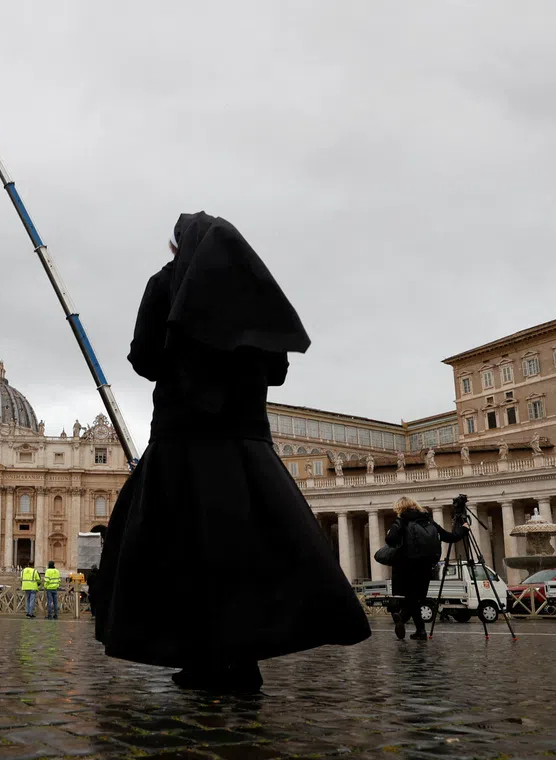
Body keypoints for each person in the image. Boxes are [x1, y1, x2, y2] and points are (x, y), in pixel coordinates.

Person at [95, 212, 371, 693]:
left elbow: (143, 359)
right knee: (247, 550)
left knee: (182, 552)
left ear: (176, 248)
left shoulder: (165, 284)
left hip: (182, 440)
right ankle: (243, 660)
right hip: (245, 443)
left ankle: (201, 656)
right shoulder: (250, 289)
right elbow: (277, 370)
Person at [385, 497, 466, 640]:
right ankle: (419, 630)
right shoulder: (429, 521)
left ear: (399, 508)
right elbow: (450, 537)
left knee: (411, 598)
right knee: (417, 598)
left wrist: (392, 533)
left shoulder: (402, 520)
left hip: (407, 566)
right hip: (427, 566)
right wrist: (464, 529)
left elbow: (390, 540)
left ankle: (403, 618)